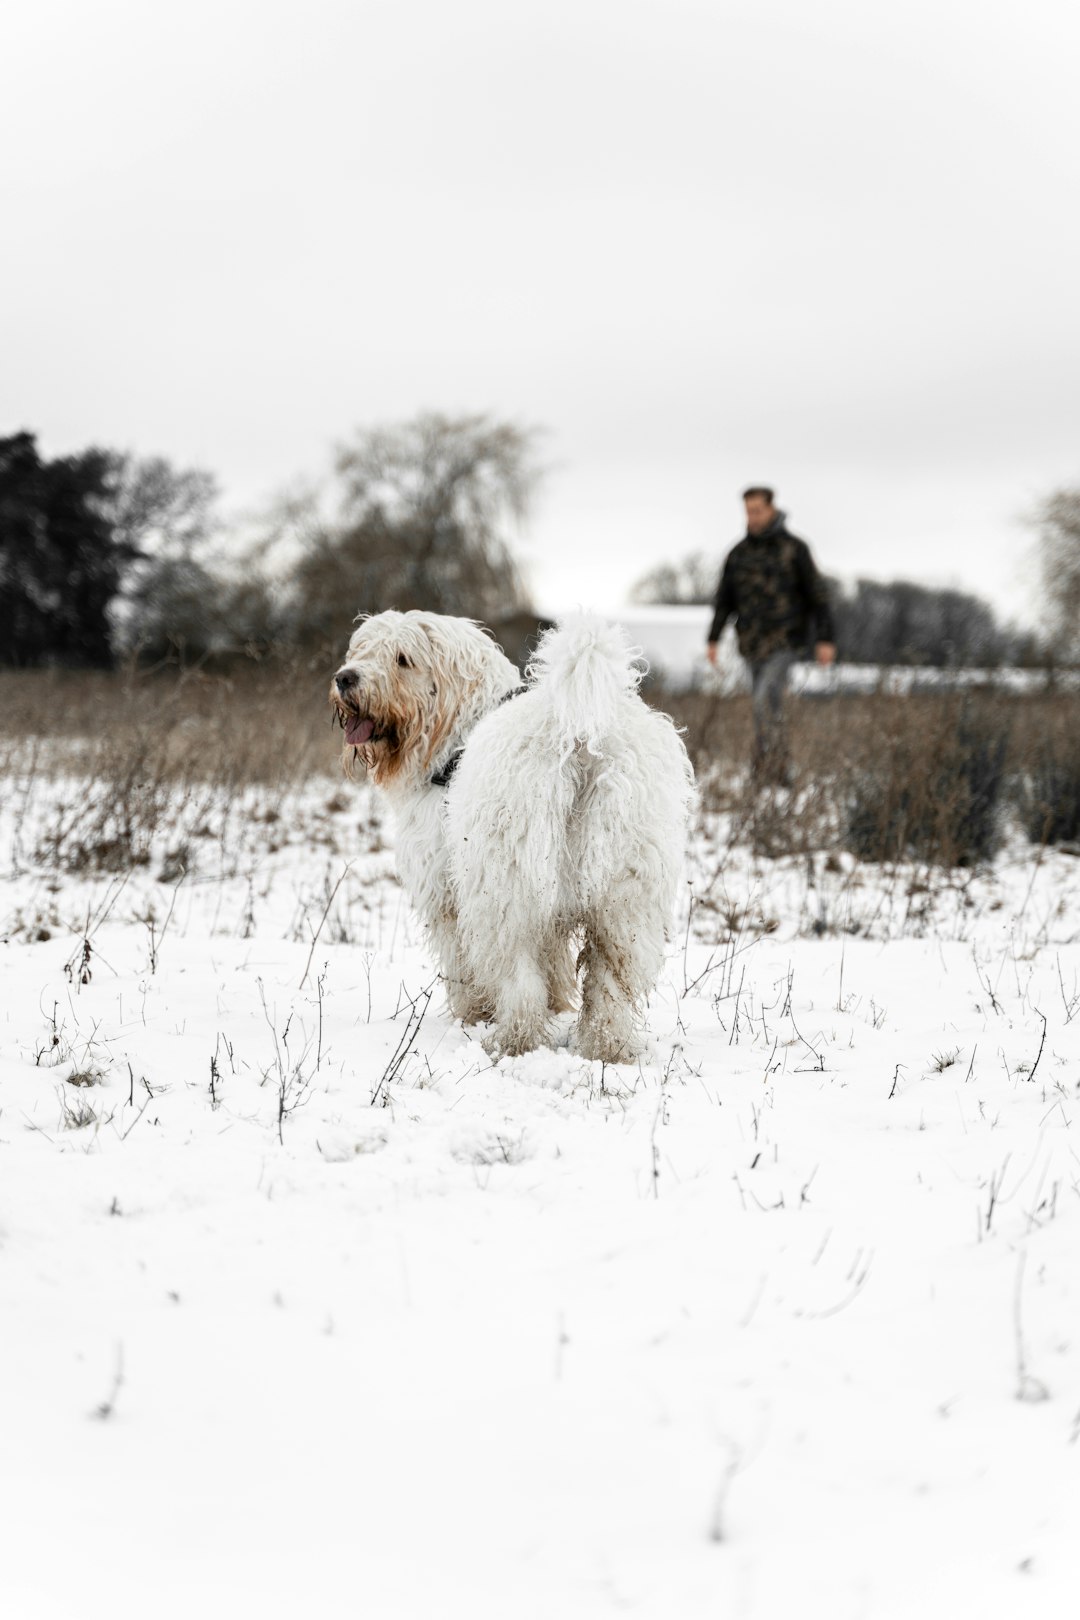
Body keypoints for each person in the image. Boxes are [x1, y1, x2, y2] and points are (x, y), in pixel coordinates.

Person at [706, 487, 836, 781]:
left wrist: (825, 638)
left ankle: (774, 768)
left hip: (786, 642)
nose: (752, 517)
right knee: (764, 706)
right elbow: (724, 600)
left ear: (772, 509)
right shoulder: (738, 554)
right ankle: (770, 768)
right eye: (748, 511)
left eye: (757, 510)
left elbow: (818, 595)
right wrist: (713, 638)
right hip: (750, 643)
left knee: (766, 698)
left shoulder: (794, 549)